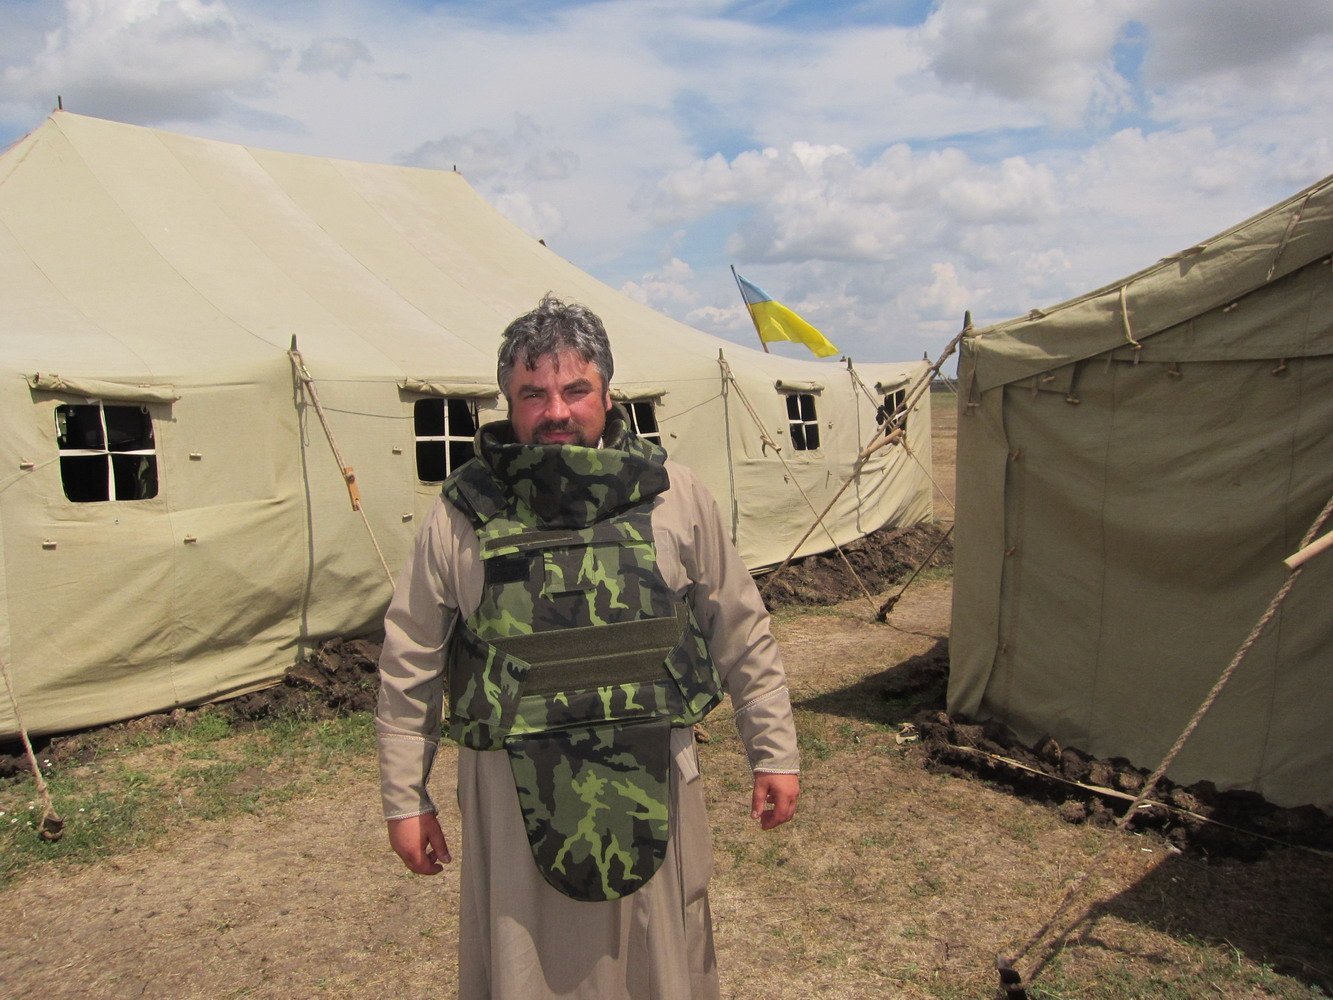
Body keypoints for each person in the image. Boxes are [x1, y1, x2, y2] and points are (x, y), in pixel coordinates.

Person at [375, 294, 800, 999]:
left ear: (607, 393)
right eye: (532, 394)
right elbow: (410, 657)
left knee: (661, 965)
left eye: (575, 390)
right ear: (508, 402)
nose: (556, 411)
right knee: (524, 967)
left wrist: (774, 751)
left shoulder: (673, 495)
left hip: (654, 772)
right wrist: (404, 799)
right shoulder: (460, 512)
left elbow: (739, 625)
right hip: (513, 791)